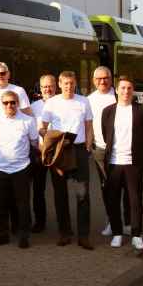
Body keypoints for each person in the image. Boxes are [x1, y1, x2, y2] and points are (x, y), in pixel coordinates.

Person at [39, 71, 93, 247]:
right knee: (60, 193)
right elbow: (42, 128)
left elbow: (89, 126)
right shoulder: (52, 103)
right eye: (66, 83)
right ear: (60, 84)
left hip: (78, 150)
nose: (69, 86)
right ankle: (65, 232)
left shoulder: (84, 101)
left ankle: (83, 235)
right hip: (60, 151)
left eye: (72, 83)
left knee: (82, 193)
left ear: (75, 83)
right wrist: (53, 139)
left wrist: (88, 146)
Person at [100, 77, 143, 251]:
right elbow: (106, 132)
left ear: (133, 90)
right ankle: (117, 233)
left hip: (133, 164)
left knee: (135, 201)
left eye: (129, 88)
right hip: (114, 163)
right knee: (112, 199)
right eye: (122, 88)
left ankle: (137, 235)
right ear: (117, 90)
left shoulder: (142, 111)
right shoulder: (108, 111)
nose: (125, 91)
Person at [0, 62, 33, 232]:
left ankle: (17, 225)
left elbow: (27, 115)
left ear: (8, 74)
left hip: (17, 143)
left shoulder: (19, 91)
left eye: (3, 73)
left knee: (18, 193)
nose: (0, 76)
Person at [0, 90, 38, 248]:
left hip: (21, 168)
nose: (9, 105)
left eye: (12, 102)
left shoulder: (28, 121)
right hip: (0, 168)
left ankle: (24, 235)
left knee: (22, 204)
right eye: (6, 103)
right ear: (2, 105)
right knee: (1, 203)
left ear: (18, 103)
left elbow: (34, 142)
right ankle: (2, 234)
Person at [87, 66, 129, 237]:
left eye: (106, 78)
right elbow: (87, 123)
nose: (102, 81)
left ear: (112, 79)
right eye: (98, 79)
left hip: (122, 150)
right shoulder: (88, 100)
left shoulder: (119, 94)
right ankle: (112, 221)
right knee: (108, 188)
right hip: (100, 150)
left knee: (127, 188)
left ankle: (128, 223)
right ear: (93, 81)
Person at [29, 74, 57, 233]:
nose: (47, 89)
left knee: (60, 190)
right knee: (38, 190)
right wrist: (36, 146)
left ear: (55, 86)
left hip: (57, 153)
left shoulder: (62, 104)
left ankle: (63, 224)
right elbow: (32, 129)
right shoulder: (34, 107)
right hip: (39, 152)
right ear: (40, 88)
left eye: (50, 85)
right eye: (44, 86)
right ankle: (40, 222)